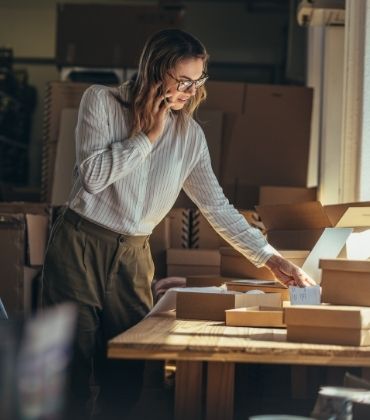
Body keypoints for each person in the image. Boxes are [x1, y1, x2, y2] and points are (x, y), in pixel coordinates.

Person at [42, 28, 315, 419]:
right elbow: (92, 177)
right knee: (70, 367)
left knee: (127, 373)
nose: (191, 90)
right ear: (155, 71)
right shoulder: (101, 101)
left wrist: (272, 259)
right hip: (79, 244)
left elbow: (217, 207)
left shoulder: (190, 137)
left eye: (198, 80)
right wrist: (149, 136)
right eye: (182, 80)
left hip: (133, 256)